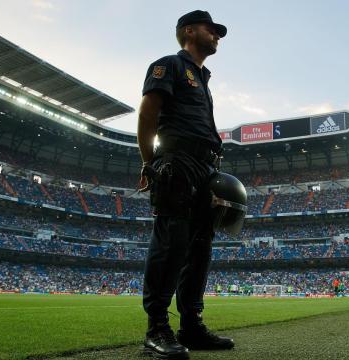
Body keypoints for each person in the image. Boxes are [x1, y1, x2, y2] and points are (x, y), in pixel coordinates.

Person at [137, 10, 234, 359]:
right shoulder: (169, 65)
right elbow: (148, 115)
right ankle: (156, 328)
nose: (217, 35)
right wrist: (150, 164)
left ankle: (190, 324)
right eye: (212, 30)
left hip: (204, 166)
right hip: (177, 162)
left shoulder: (202, 78)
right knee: (172, 244)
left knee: (200, 248)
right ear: (189, 32)